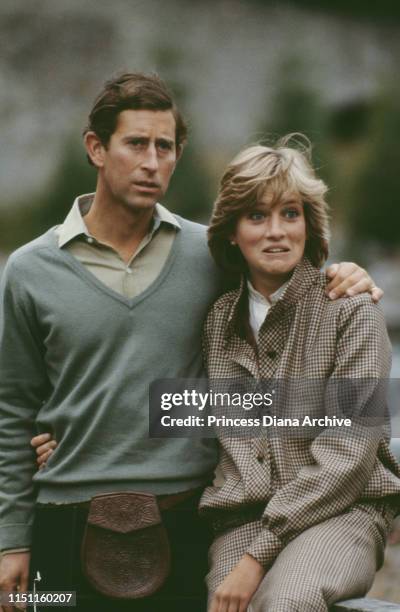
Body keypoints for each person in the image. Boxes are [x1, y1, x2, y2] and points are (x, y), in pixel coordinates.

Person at [0, 72, 380, 612]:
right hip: (66, 514)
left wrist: (346, 275)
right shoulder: (30, 269)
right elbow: (13, 405)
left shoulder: (212, 255)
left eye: (166, 146)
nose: (152, 162)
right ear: (96, 148)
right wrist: (12, 538)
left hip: (185, 516)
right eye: (136, 143)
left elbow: (286, 298)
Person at [198, 136, 400, 612]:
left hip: (345, 512)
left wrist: (256, 557)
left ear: (309, 225)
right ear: (231, 231)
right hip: (241, 519)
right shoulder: (218, 322)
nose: (276, 232)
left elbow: (348, 453)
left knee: (286, 601)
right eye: (256, 216)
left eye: (290, 214)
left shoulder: (351, 310)